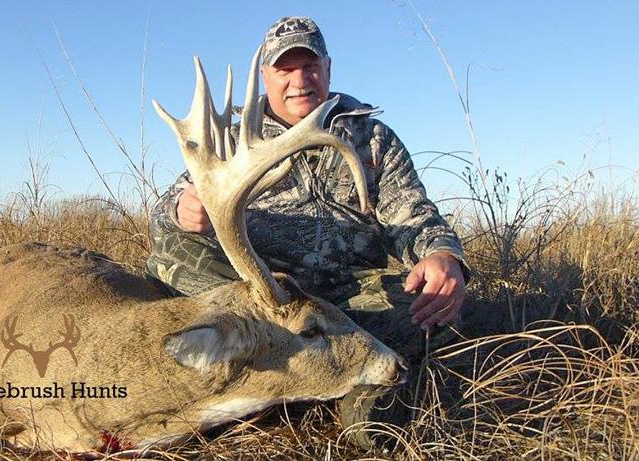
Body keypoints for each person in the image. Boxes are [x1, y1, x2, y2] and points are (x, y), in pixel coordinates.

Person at [146, 16, 470, 445]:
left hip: (346, 296)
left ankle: (315, 382)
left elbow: (413, 219)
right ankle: (311, 364)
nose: (300, 80)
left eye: (310, 66)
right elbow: (163, 214)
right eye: (285, 68)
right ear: (265, 75)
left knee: (435, 306)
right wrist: (180, 209)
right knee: (171, 250)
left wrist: (442, 256)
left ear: (328, 68)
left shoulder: (371, 137)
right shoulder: (228, 136)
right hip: (261, 294)